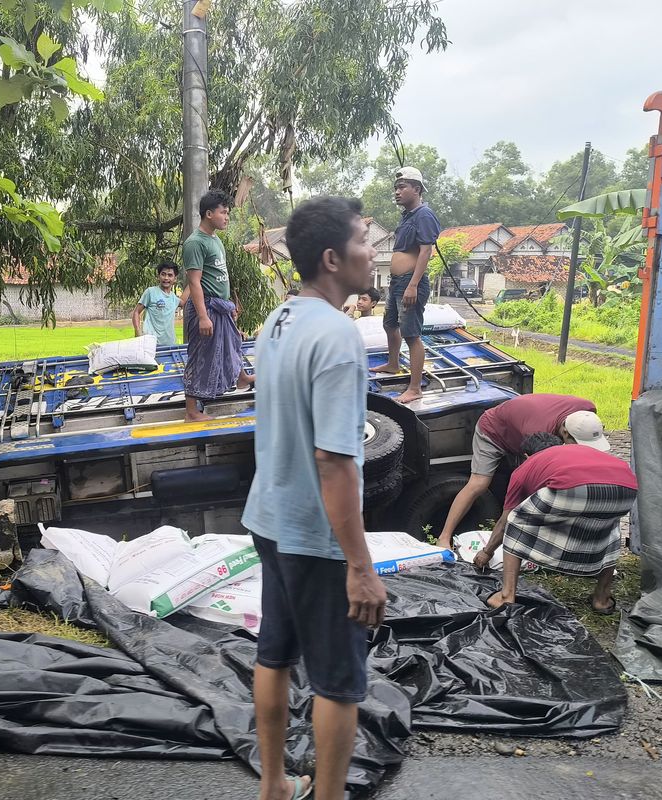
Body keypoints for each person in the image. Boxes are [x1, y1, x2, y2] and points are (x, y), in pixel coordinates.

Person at [243, 196, 387, 800]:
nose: (373, 250)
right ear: (332, 258)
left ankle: (274, 784)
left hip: (269, 516)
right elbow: (334, 460)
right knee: (337, 682)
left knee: (273, 652)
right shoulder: (339, 337)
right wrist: (359, 565)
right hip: (314, 534)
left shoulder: (276, 320)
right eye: (364, 240)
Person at [476, 434, 638, 612]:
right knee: (610, 529)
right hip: (627, 489)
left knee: (516, 520)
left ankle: (506, 596)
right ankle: (602, 599)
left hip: (573, 486)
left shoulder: (527, 466)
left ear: (526, 456)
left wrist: (487, 552)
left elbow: (505, 521)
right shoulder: (575, 452)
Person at [435, 394, 609, 552]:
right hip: (494, 431)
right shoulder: (538, 431)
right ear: (564, 432)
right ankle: (444, 537)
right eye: (577, 443)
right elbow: (536, 479)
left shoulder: (587, 412)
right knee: (479, 483)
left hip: (521, 426)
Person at [182, 189, 253, 421]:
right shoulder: (195, 243)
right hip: (207, 307)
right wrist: (203, 316)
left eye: (228, 212)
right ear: (209, 214)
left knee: (233, 342)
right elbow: (194, 283)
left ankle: (241, 378)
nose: (227, 216)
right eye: (223, 212)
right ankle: (192, 411)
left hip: (221, 307)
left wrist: (230, 307)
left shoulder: (215, 241)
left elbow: (220, 277)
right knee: (199, 355)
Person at [371, 166, 440, 404]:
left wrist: (413, 284)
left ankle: (414, 388)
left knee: (412, 335)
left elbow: (425, 251)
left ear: (417, 189)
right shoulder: (407, 216)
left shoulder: (424, 215)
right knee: (390, 324)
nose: (397, 192)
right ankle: (393, 363)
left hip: (411, 283)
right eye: (396, 188)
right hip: (397, 282)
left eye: (402, 187)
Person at [132, 260, 181, 346]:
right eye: (163, 274)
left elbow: (183, 302)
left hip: (169, 344)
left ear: (175, 279)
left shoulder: (174, 298)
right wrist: (137, 331)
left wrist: (193, 281)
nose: (166, 278)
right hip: (149, 344)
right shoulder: (150, 292)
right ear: (158, 276)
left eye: (170, 275)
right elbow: (136, 312)